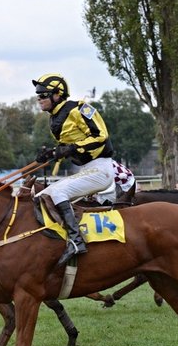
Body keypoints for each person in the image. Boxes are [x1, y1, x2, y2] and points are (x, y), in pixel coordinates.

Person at [31, 73, 116, 263]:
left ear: (57, 94)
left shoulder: (79, 109)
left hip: (100, 169)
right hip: (85, 170)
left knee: (56, 194)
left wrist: (70, 148)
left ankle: (77, 242)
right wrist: (52, 153)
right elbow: (68, 147)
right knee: (39, 197)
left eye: (43, 95)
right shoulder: (54, 119)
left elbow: (100, 136)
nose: (39, 99)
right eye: (38, 95)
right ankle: (56, 241)